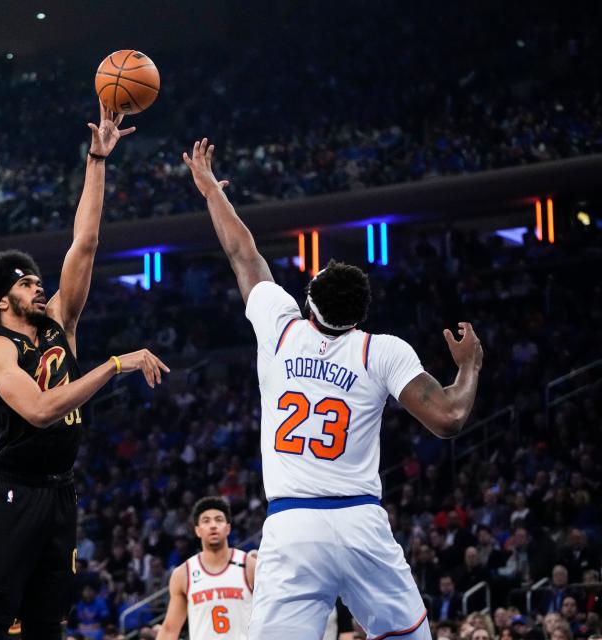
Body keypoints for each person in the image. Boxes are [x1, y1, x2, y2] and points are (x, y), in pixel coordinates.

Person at [182, 138, 484, 639]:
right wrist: (469, 367)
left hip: (293, 525)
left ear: (309, 302)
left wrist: (212, 190)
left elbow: (243, 253)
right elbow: (449, 418)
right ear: (360, 314)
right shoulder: (382, 350)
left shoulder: (280, 326)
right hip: (360, 521)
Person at [0, 103, 168, 639]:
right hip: (12, 488)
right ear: (2, 299)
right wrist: (114, 365)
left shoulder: (60, 321)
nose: (38, 284)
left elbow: (86, 243)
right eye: (25, 281)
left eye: (38, 279)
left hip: (60, 489)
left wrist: (98, 160)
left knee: (48, 619)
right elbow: (39, 409)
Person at [157, 497, 255, 640]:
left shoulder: (250, 566)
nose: (213, 525)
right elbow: (170, 630)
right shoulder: (183, 574)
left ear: (228, 528)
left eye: (219, 520)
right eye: (206, 521)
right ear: (197, 530)